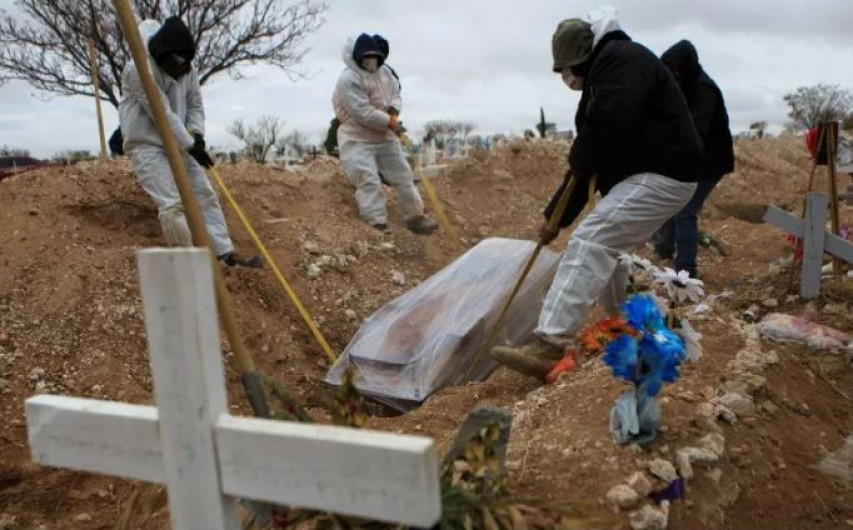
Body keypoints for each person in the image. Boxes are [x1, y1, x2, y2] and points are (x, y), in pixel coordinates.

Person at [491, 7, 703, 379]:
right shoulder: (610, 71)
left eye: (567, 69)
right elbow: (588, 165)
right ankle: (625, 323)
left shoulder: (620, 61)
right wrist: (555, 216)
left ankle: (549, 344)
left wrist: (578, 155)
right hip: (653, 173)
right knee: (606, 244)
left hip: (665, 174)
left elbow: (603, 132)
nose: (565, 78)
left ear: (582, 58)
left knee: (592, 239)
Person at [119, 17, 259, 267]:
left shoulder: (187, 69)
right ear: (161, 53)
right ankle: (188, 263)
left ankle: (224, 255)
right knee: (172, 206)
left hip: (181, 142)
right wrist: (189, 144)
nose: (179, 69)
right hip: (147, 144)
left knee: (205, 194)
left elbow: (194, 104)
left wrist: (197, 136)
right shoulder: (138, 69)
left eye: (183, 64)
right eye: (174, 63)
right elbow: (161, 113)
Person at [332, 33, 437, 234]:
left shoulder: (386, 72)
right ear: (358, 57)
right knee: (368, 178)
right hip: (357, 136)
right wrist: (390, 122)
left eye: (376, 57)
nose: (372, 62)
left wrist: (394, 111)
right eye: (368, 57)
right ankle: (377, 223)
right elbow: (362, 112)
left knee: (404, 175)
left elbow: (396, 93)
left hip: (385, 135)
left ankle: (416, 217)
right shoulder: (348, 79)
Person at [651, 40, 735, 278]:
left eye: (673, 72)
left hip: (709, 163)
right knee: (670, 200)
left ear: (684, 67)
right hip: (691, 160)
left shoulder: (704, 90)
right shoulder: (682, 86)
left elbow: (695, 132)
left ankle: (686, 270)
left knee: (685, 210)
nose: (671, 77)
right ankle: (665, 248)